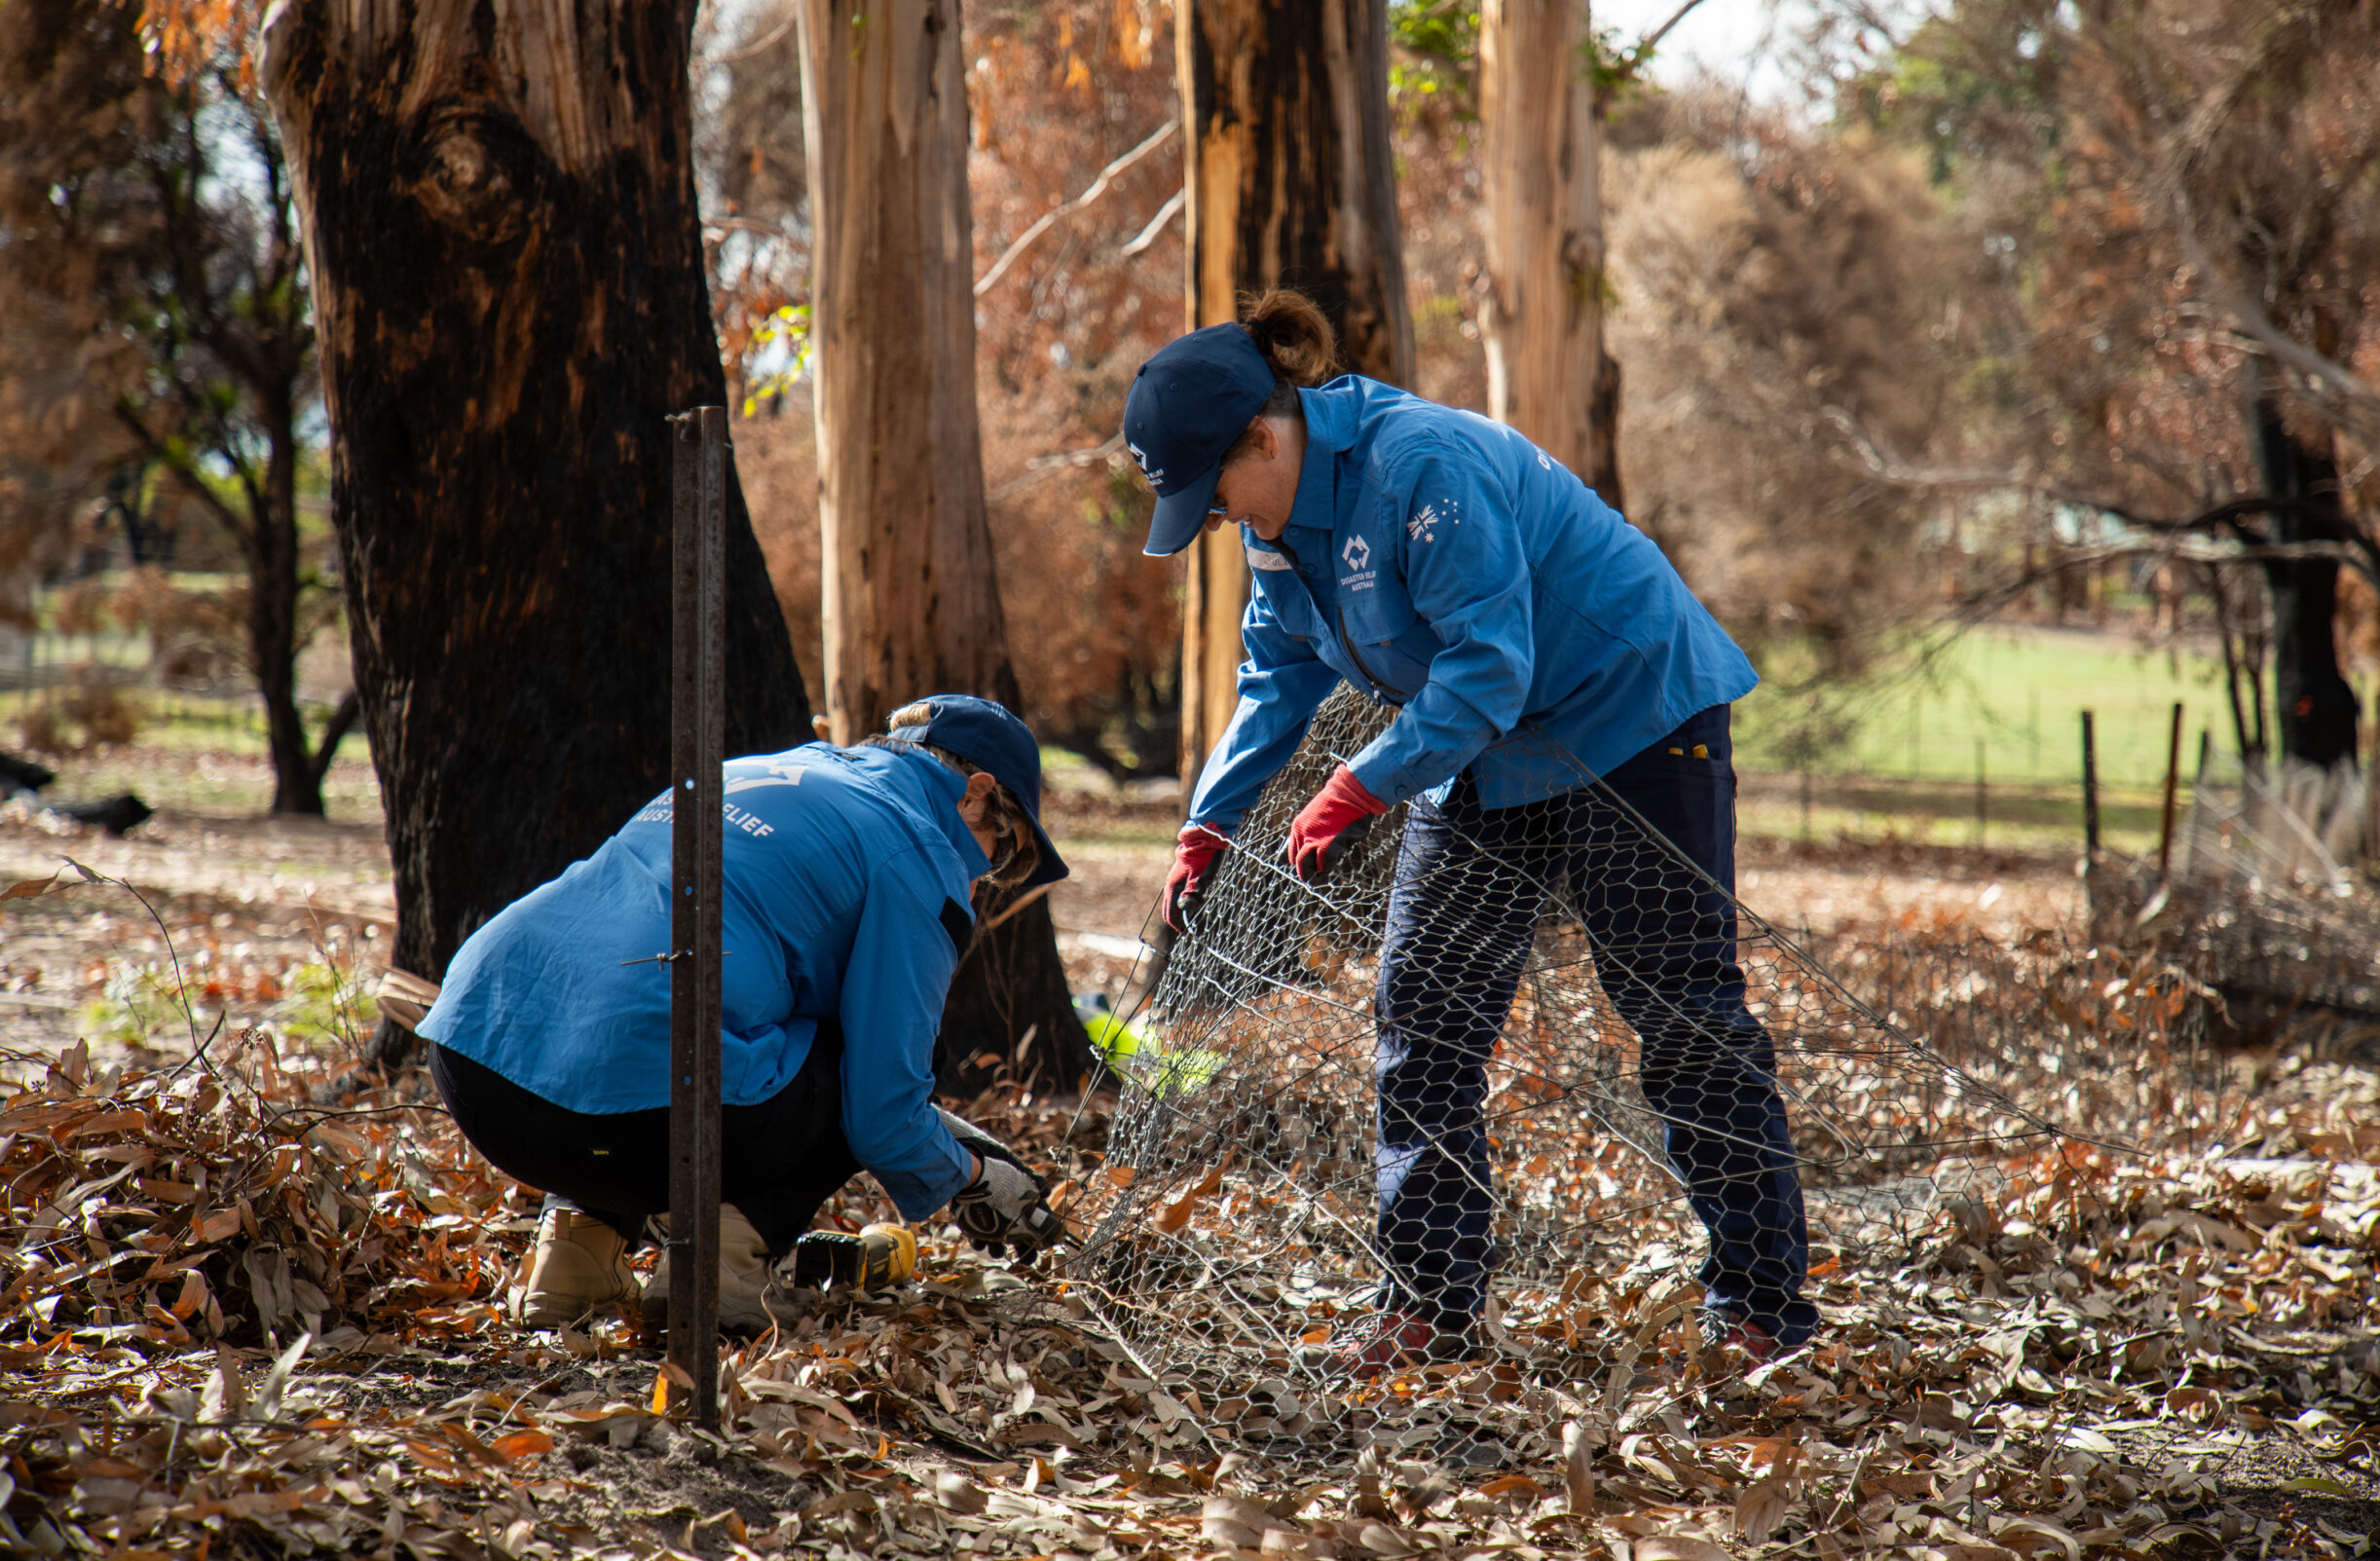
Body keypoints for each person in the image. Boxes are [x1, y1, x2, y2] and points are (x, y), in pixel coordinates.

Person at [1122, 292, 1816, 1375]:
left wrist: (1359, 786)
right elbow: (1275, 676)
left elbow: (1491, 665)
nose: (1217, 518)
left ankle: (1762, 1309)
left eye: (1211, 493)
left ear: (1263, 434)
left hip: (1632, 718)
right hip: (1484, 751)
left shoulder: (1420, 466)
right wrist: (1208, 821)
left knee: (1679, 1020)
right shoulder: (1275, 530)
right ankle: (1427, 1308)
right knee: (1422, 1018)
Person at [417, 695, 1070, 1333]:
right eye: (1003, 851)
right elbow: (883, 1106)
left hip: (476, 1061)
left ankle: (574, 1259)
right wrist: (973, 1176)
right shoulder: (921, 848)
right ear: (977, 794)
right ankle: (720, 1269)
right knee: (883, 1048)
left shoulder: (764, 768)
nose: (985, 875)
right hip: (643, 1115)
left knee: (636, 1026)